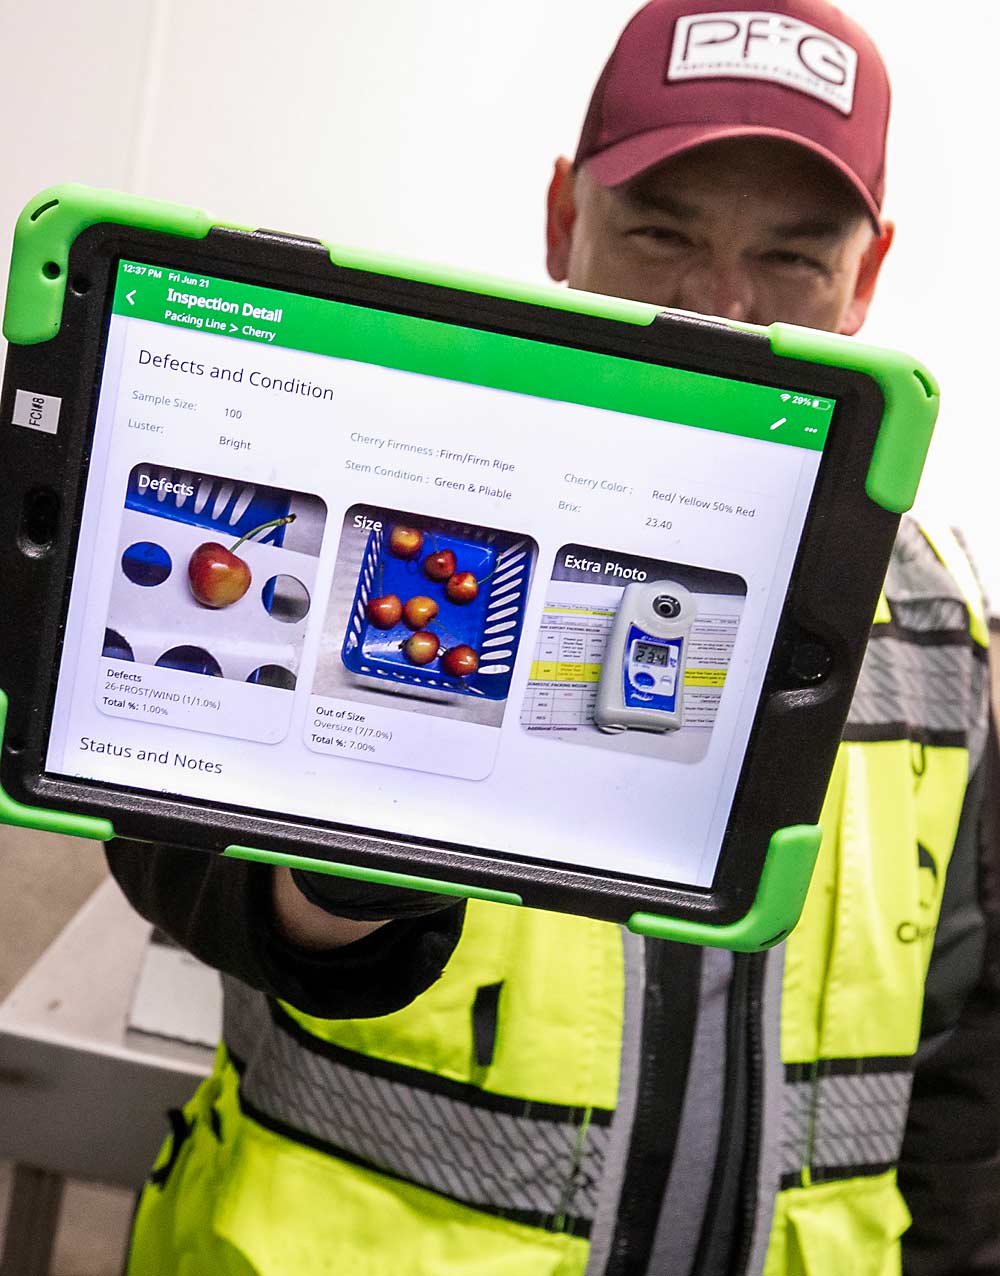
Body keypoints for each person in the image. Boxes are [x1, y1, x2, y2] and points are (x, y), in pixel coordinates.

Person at [107, 1, 1000, 1272]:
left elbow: (965, 1076)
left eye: (794, 259)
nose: (722, 308)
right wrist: (335, 886)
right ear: (559, 221)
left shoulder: (940, 627)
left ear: (867, 275)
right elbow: (174, 847)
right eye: (660, 233)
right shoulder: (373, 496)